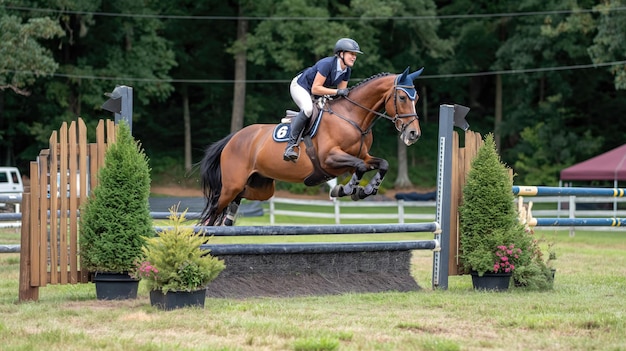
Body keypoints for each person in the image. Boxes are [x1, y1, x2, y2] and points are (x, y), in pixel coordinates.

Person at [283, 38, 363, 162]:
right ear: (341, 54)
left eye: (355, 55)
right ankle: (290, 146)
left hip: (317, 92)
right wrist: (337, 92)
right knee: (308, 109)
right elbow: (315, 89)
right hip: (301, 86)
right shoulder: (326, 64)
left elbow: (341, 94)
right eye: (351, 53)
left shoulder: (346, 71)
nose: (354, 57)